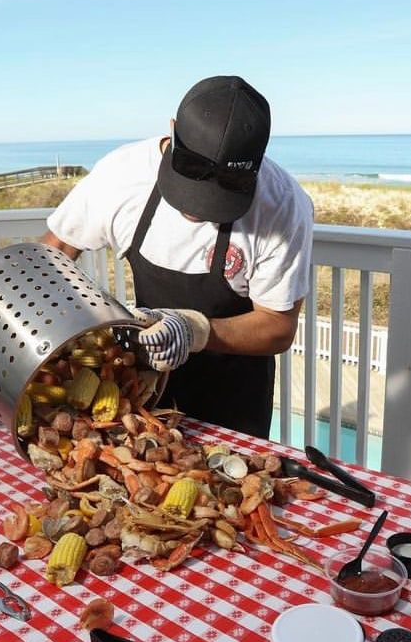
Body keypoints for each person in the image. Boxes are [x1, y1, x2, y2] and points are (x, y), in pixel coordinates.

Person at [41, 75, 314, 438]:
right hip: (139, 390)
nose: (197, 210)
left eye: (218, 196)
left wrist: (193, 329)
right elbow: (52, 255)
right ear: (172, 130)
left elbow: (278, 326)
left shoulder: (282, 205)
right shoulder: (121, 175)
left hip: (234, 400)